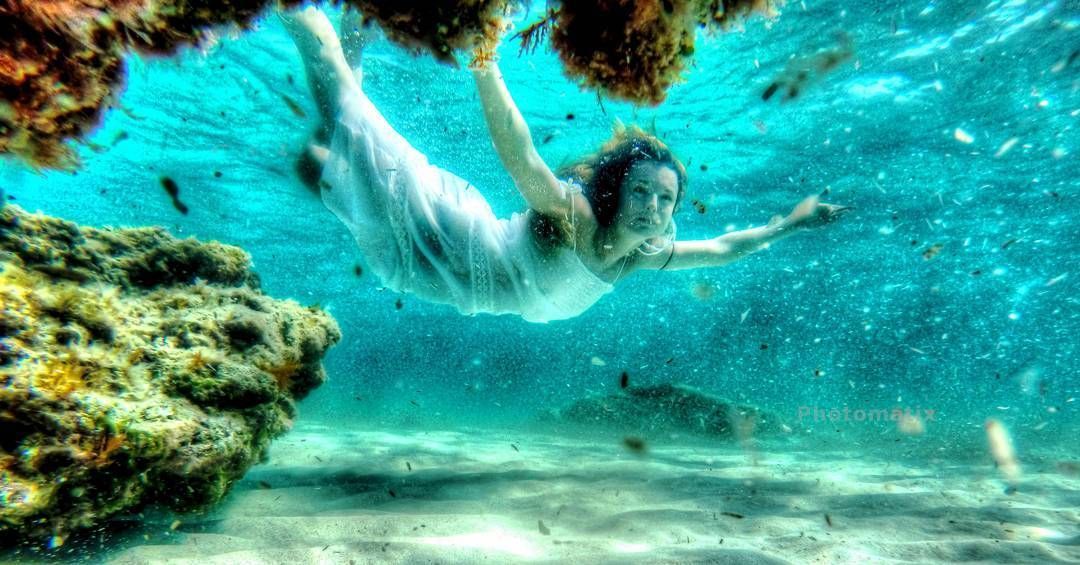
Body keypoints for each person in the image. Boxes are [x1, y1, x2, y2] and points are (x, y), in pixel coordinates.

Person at [280, 7, 849, 323]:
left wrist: (793, 224)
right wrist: (485, 64)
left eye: (665, 199)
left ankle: (354, 38)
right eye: (642, 191)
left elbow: (723, 249)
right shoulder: (576, 216)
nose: (653, 208)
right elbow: (521, 158)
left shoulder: (641, 256)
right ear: (617, 191)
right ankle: (301, 17)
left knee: (326, 153)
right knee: (340, 112)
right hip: (447, 234)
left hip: (437, 282)